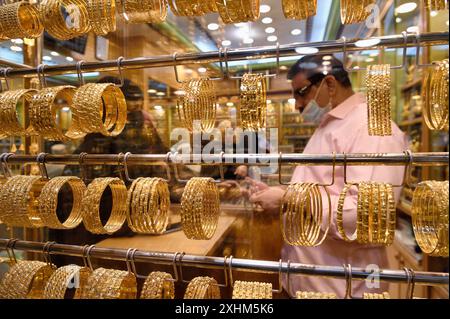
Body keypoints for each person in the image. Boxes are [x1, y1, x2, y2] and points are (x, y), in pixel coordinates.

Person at [247, 55, 409, 297]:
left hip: (341, 287)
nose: (297, 105)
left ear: (330, 84)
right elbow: (319, 189)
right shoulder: (329, 126)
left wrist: (287, 199)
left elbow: (364, 216)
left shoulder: (371, 128)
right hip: (309, 284)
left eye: (301, 93)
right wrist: (282, 195)